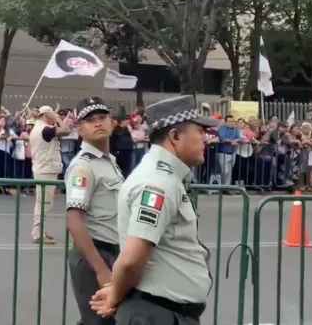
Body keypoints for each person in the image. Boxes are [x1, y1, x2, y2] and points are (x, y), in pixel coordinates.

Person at [90, 95, 216, 325]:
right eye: (199, 131)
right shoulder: (158, 183)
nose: (205, 138)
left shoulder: (165, 177)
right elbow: (131, 259)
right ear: (175, 137)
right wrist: (115, 297)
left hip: (163, 312)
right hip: (157, 315)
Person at [66, 97, 123, 325]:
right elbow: (74, 221)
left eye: (102, 117)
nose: (98, 123)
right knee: (97, 321)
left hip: (113, 253)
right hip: (94, 255)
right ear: (79, 129)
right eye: (90, 120)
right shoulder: (83, 166)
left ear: (111, 122)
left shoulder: (109, 162)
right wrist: (100, 269)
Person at [29, 105, 70, 244]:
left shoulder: (38, 128)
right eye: (52, 115)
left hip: (42, 167)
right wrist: (58, 119)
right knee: (44, 203)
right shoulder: (45, 129)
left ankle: (39, 230)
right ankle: (38, 233)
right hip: (46, 168)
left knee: (41, 202)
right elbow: (66, 130)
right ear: (47, 115)